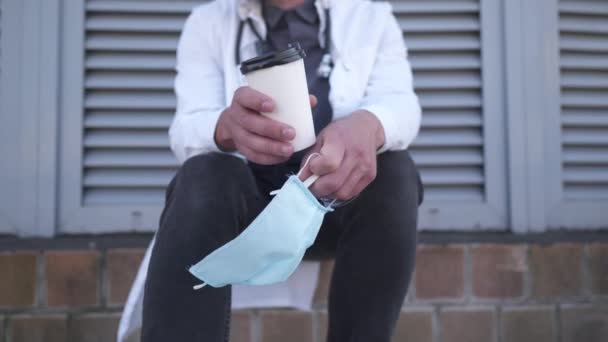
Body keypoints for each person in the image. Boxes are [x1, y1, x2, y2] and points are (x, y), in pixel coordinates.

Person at [142, 0, 423, 341]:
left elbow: (402, 104)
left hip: (335, 204)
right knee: (203, 174)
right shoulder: (208, 22)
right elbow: (184, 129)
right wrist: (225, 127)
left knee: (394, 171)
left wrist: (370, 124)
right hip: (248, 210)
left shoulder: (371, 17)